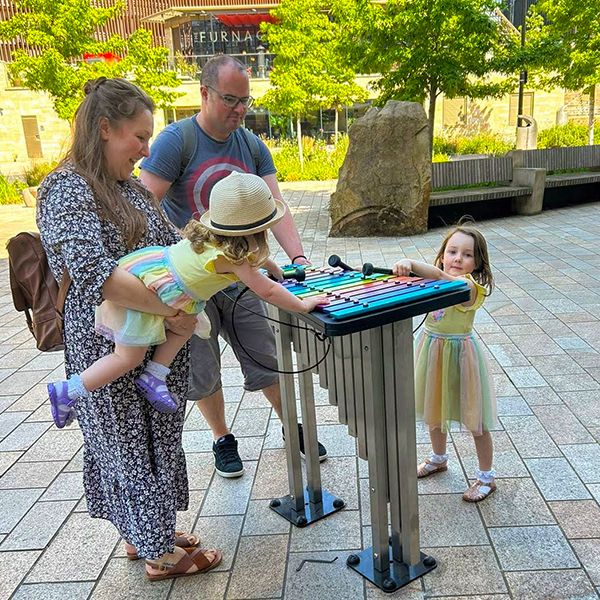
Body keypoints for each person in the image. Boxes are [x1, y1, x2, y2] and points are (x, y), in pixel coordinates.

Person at [36, 77, 222, 581]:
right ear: (104, 128)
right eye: (139, 137)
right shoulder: (67, 189)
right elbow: (98, 276)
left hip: (153, 336)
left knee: (153, 438)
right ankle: (159, 554)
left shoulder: (126, 186)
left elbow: (169, 245)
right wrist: (173, 311)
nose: (145, 150)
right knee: (124, 444)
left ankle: (147, 532)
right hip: (108, 342)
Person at [140, 55, 328, 478]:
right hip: (191, 285)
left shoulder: (250, 144)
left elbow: (275, 209)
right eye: (230, 100)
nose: (239, 110)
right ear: (204, 93)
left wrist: (297, 258)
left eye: (245, 101)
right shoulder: (176, 141)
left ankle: (291, 428)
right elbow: (144, 202)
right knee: (203, 368)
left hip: (240, 277)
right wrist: (180, 255)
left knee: (264, 355)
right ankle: (222, 437)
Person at [46, 171, 327, 426]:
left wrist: (274, 268)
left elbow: (257, 267)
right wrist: (302, 305)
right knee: (128, 357)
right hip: (153, 289)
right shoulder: (233, 260)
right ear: (259, 229)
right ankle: (69, 390)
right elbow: (267, 290)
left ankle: (154, 375)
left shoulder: (218, 240)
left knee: (190, 324)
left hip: (158, 274)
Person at [393, 222, 497, 503]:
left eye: (466, 254)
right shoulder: (438, 280)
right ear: (442, 255)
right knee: (433, 409)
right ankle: (438, 458)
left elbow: (443, 277)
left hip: (461, 356)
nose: (458, 259)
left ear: (477, 263)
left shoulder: (469, 286)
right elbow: (429, 280)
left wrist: (411, 262)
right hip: (432, 350)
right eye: (452, 251)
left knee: (476, 419)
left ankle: (487, 477)